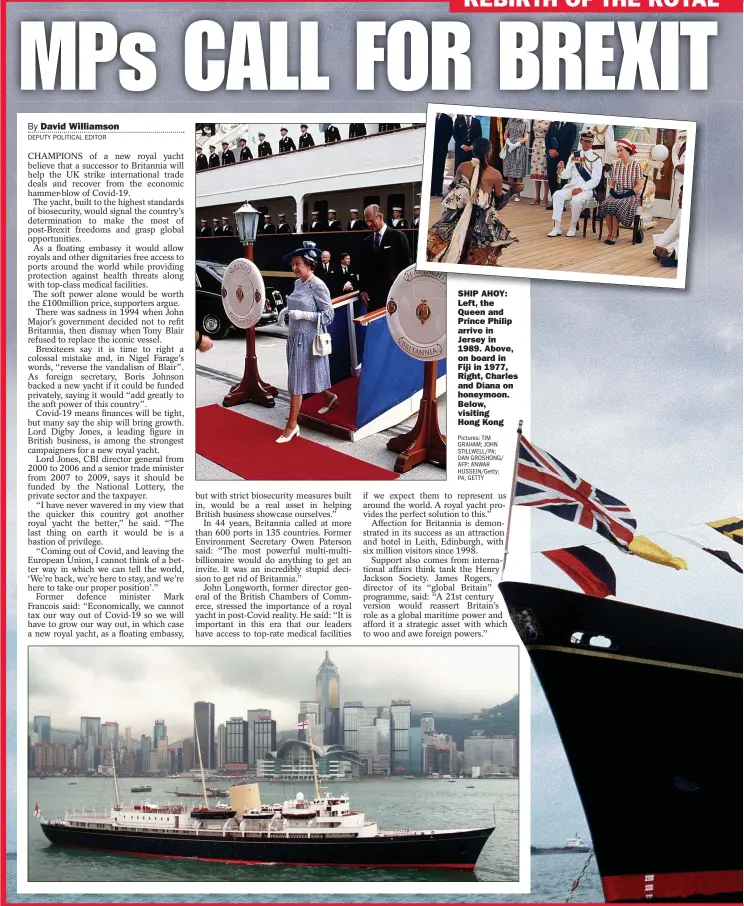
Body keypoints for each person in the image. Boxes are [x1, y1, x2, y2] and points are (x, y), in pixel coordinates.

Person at [277, 242, 337, 443]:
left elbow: (328, 315)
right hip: (294, 338)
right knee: (305, 377)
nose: (294, 268)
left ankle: (292, 426)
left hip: (308, 340)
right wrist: (286, 312)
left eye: (297, 264)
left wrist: (303, 314)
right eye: (293, 264)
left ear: (309, 264)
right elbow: (295, 304)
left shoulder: (318, 285)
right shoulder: (297, 284)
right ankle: (330, 398)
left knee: (296, 381)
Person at [426, 136, 518, 267]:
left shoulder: (463, 167)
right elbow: (498, 205)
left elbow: (452, 188)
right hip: (481, 224)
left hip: (456, 217)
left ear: (473, 151)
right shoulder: (495, 174)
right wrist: (511, 192)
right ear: (489, 152)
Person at [547, 130, 603, 238]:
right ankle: (557, 227)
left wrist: (581, 189)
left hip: (586, 190)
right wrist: (560, 169)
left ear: (592, 143)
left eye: (589, 142)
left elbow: (596, 179)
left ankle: (572, 226)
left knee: (576, 201)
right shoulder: (573, 156)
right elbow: (566, 175)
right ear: (581, 141)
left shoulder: (596, 159)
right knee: (557, 195)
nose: (587, 144)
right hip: (571, 187)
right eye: (585, 141)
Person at [359, 204, 412, 311]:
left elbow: (406, 266)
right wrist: (363, 291)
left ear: (380, 217)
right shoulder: (366, 242)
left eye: (371, 220)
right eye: (366, 221)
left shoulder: (398, 237)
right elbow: (363, 269)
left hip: (395, 296)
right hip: (373, 300)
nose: (369, 224)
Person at [597, 138, 645, 245]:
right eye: (618, 151)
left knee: (617, 205)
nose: (619, 153)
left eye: (621, 150)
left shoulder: (636, 165)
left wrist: (628, 193)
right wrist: (612, 191)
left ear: (628, 150)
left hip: (632, 194)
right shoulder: (616, 165)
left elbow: (640, 185)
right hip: (618, 193)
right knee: (606, 203)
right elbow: (612, 182)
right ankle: (610, 234)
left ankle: (614, 235)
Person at [545, 120, 578, 208]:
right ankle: (554, 201)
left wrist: (558, 152)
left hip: (563, 157)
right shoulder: (553, 124)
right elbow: (547, 138)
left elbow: (570, 142)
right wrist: (549, 150)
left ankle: (561, 203)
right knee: (552, 178)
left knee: (562, 180)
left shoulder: (572, 126)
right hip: (552, 156)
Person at [652, 187, 682, 267]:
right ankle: (671, 257)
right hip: (679, 241)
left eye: (681, 198)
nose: (678, 200)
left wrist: (669, 249)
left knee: (674, 251)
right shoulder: (682, 211)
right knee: (656, 250)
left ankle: (676, 261)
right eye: (679, 197)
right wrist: (659, 245)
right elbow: (673, 230)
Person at [502, 117, 530, 202]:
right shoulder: (510, 121)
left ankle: (518, 195)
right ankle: (510, 193)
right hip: (510, 148)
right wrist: (510, 143)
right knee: (510, 171)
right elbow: (505, 135)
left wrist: (516, 144)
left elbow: (526, 137)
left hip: (519, 148)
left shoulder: (525, 121)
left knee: (518, 172)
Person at [529, 120, 551, 205]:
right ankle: (537, 197)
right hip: (536, 144)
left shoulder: (550, 119)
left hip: (545, 144)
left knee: (544, 169)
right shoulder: (535, 119)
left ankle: (545, 197)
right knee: (536, 169)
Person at [431, 112, 454, 196]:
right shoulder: (430, 115)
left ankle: (438, 190)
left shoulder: (447, 119)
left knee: (439, 169)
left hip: (441, 148)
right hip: (430, 148)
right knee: (431, 169)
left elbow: (450, 132)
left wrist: (444, 143)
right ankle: (431, 190)